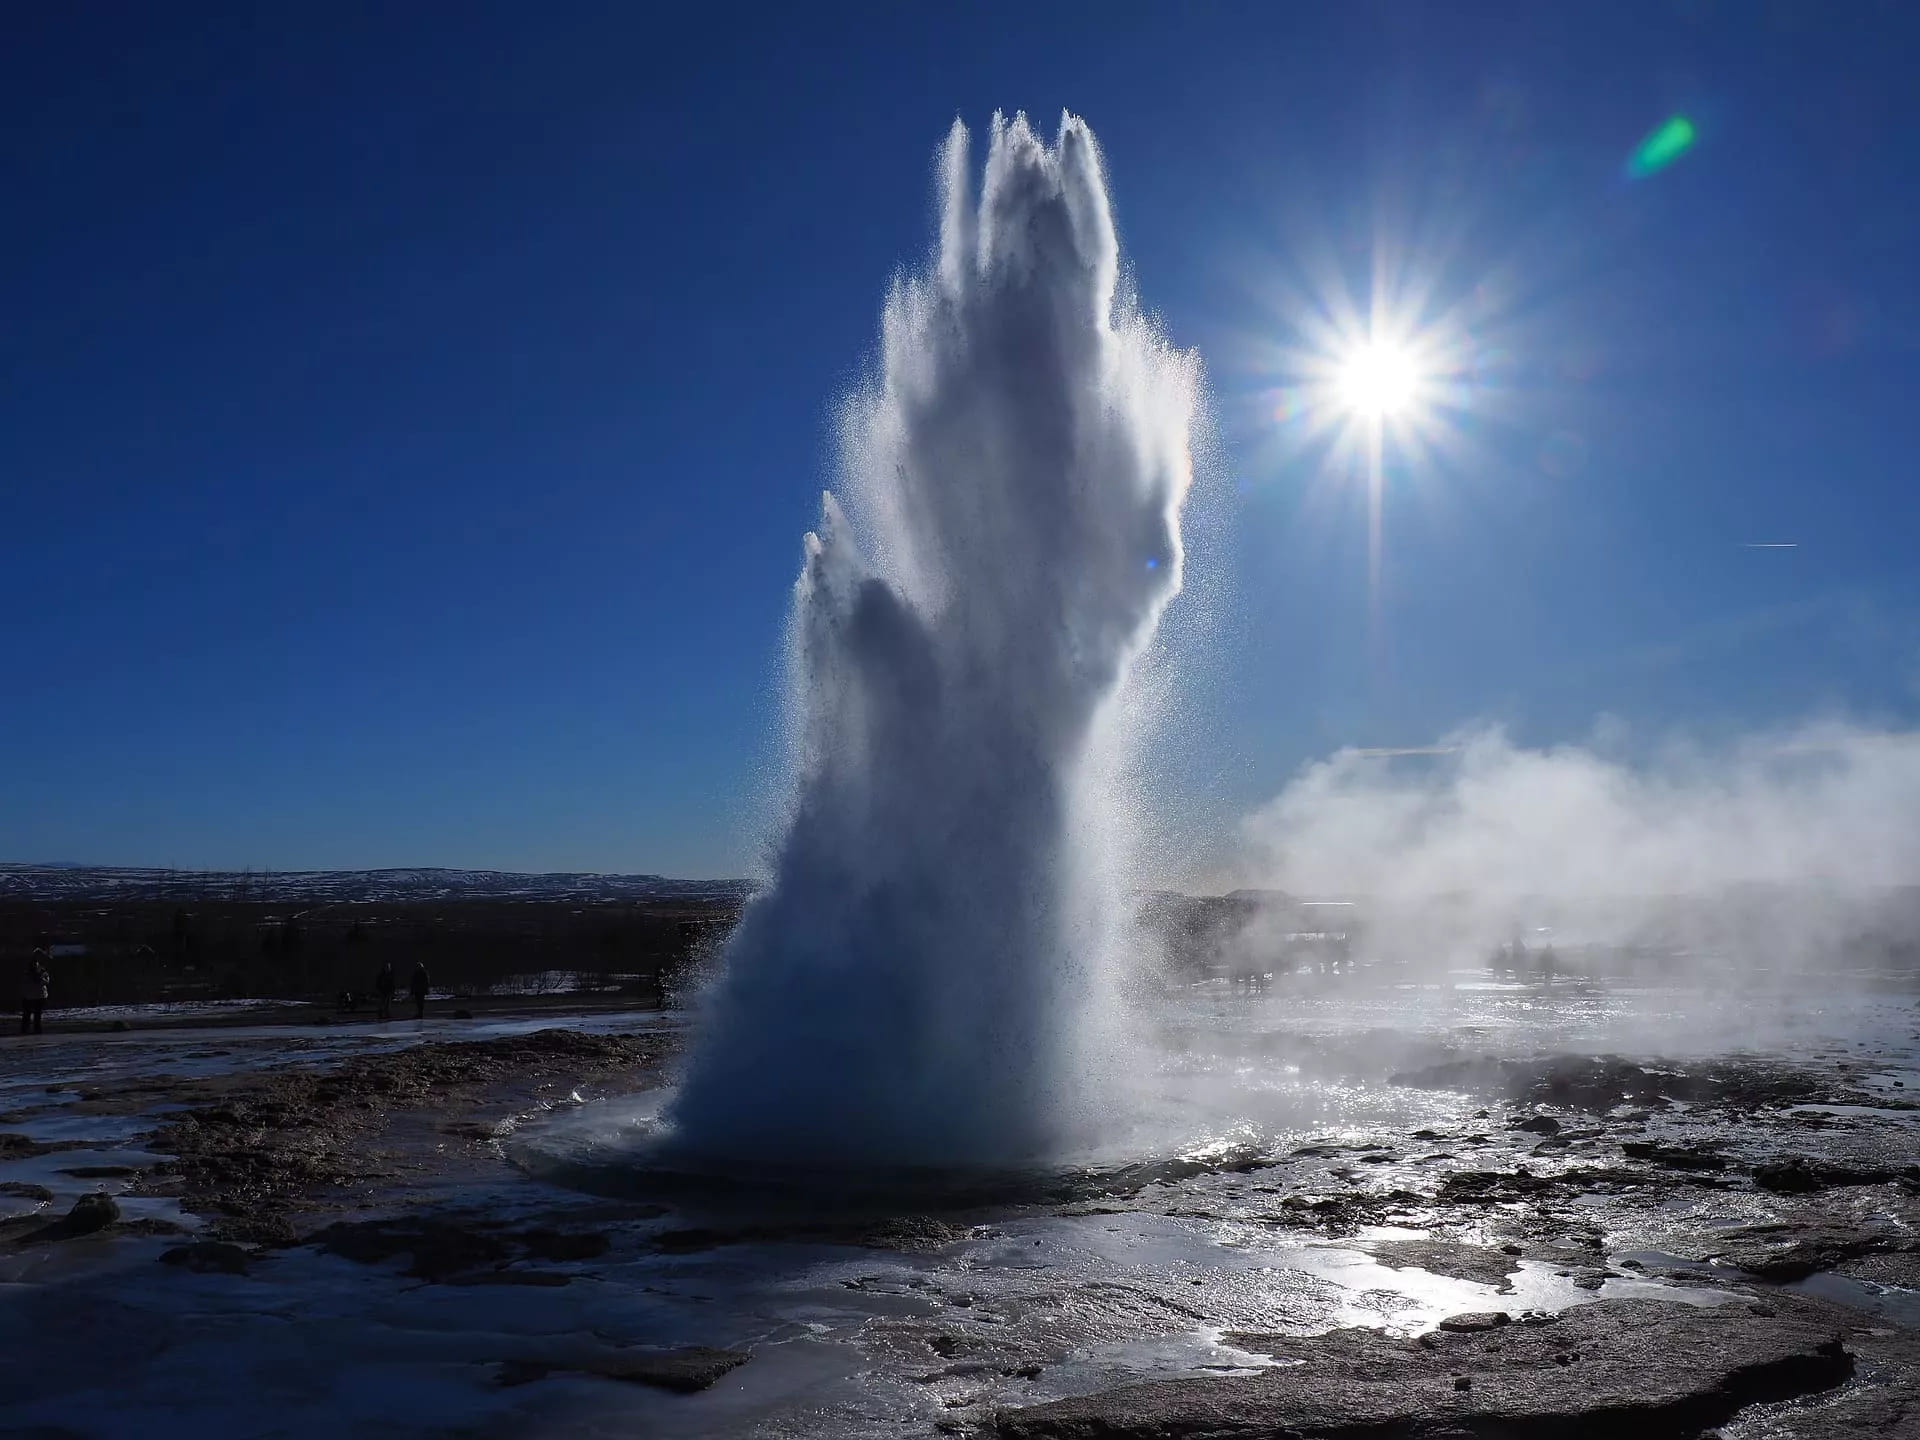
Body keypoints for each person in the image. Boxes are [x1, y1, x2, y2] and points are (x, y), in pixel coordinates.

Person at [20, 950, 50, 1035]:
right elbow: (45, 981)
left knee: (32, 1015)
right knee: (31, 1015)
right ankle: (29, 1030)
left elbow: (46, 981)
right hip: (33, 995)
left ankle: (30, 1030)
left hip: (34, 995)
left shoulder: (41, 970)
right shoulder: (28, 970)